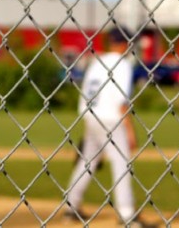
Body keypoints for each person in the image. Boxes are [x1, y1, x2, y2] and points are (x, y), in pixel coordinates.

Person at [64, 27, 150, 227]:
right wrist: (130, 131)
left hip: (91, 116)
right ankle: (127, 214)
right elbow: (122, 102)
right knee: (122, 163)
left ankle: (71, 206)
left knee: (88, 162)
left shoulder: (97, 61)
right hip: (111, 119)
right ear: (124, 43)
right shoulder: (123, 65)